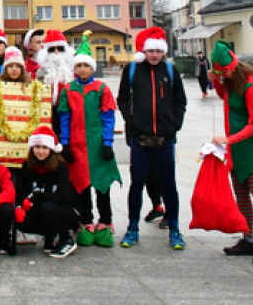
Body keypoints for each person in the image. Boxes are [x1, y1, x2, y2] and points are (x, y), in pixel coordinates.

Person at [117, 26, 187, 251]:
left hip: (165, 139)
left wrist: (174, 125)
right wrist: (132, 121)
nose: (154, 55)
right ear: (144, 51)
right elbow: (123, 99)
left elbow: (180, 100)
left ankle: (175, 228)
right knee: (137, 183)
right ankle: (132, 227)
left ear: (163, 52)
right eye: (151, 51)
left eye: (158, 51)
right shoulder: (132, 70)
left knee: (169, 184)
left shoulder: (170, 70)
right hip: (140, 139)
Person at [209, 40, 253, 265]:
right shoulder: (229, 82)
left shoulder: (252, 85)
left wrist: (230, 139)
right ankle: (248, 239)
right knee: (242, 195)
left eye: (224, 72)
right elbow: (225, 99)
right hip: (236, 147)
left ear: (233, 66)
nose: (223, 75)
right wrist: (216, 82)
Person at [58, 40, 121, 248]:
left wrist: (107, 142)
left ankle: (105, 222)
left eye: (86, 66)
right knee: (81, 186)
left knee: (102, 186)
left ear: (91, 68)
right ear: (74, 68)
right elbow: (65, 118)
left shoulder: (101, 88)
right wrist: (65, 144)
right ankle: (86, 221)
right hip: (76, 145)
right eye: (79, 66)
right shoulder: (68, 89)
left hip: (97, 144)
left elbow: (108, 116)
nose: (82, 69)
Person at [0, 47, 52, 176]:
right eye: (10, 66)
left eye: (17, 66)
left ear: (22, 69)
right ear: (5, 69)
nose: (14, 69)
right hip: (2, 150)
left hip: (25, 151)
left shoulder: (35, 88)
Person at [15, 124, 79, 258]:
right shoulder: (27, 166)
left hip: (62, 211)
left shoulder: (60, 167)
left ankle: (66, 238)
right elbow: (23, 191)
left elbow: (65, 197)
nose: (40, 151)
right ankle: (49, 236)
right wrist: (20, 206)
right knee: (21, 220)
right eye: (37, 147)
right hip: (38, 210)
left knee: (47, 207)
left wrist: (41, 196)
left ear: (51, 149)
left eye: (44, 148)